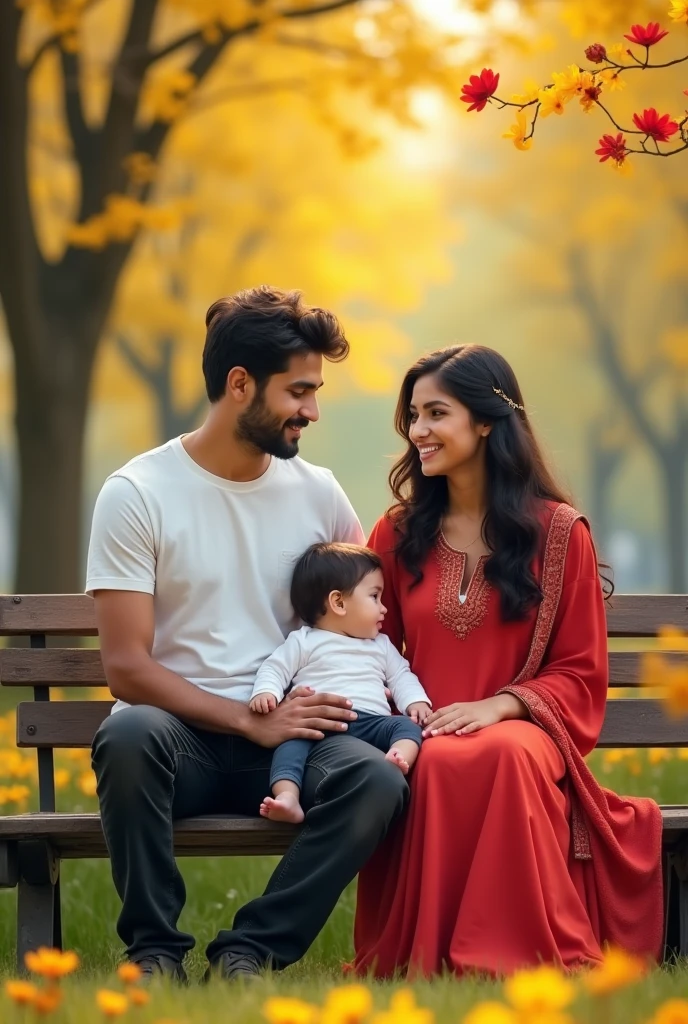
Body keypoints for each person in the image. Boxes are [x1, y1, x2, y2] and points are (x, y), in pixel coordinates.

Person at [86, 286, 409, 983]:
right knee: (128, 734)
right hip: (184, 743)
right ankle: (155, 953)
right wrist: (243, 718)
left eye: (317, 391)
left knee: (374, 783)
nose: (312, 411)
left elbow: (366, 609)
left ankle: (250, 950)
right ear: (239, 385)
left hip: (295, 742)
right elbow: (126, 668)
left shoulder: (318, 492)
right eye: (299, 391)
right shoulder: (137, 493)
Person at [353, 344, 663, 978]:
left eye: (436, 413)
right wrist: (404, 721)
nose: (418, 432)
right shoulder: (397, 533)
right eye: (412, 416)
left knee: (503, 750)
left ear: (487, 421)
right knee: (438, 758)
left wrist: (499, 706)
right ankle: (433, 956)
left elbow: (580, 671)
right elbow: (363, 645)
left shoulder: (558, 533)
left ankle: (511, 955)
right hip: (425, 728)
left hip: (532, 730)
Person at [249, 542, 432, 823]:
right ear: (338, 602)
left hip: (372, 722)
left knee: (407, 726)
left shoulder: (380, 645)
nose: (384, 609)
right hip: (316, 725)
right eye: (375, 597)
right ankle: (287, 797)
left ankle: (397, 759)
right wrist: (267, 692)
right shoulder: (304, 640)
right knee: (289, 746)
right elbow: (275, 668)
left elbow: (401, 676)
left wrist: (415, 701)